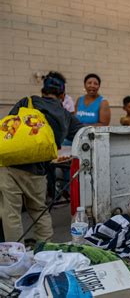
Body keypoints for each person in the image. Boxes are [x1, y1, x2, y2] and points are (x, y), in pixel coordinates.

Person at [0, 71, 83, 242]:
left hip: (9, 165)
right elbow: (84, 134)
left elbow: (9, 128)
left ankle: (15, 255)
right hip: (38, 170)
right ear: (62, 94)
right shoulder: (66, 115)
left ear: (43, 91)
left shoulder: (26, 102)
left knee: (11, 213)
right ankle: (44, 251)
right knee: (39, 211)